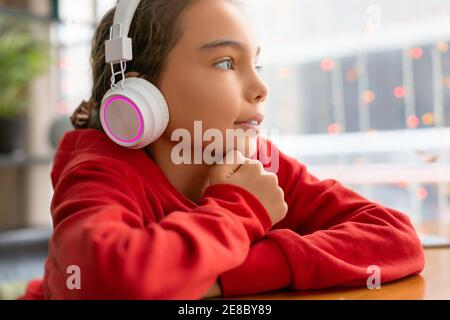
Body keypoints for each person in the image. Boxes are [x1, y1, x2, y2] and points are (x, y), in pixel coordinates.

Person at [20, 0, 424, 299]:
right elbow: (106, 280)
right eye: (226, 63)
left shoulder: (258, 164)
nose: (260, 89)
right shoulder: (99, 169)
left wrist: (224, 278)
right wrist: (239, 207)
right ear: (139, 90)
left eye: (256, 65)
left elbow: (396, 237)